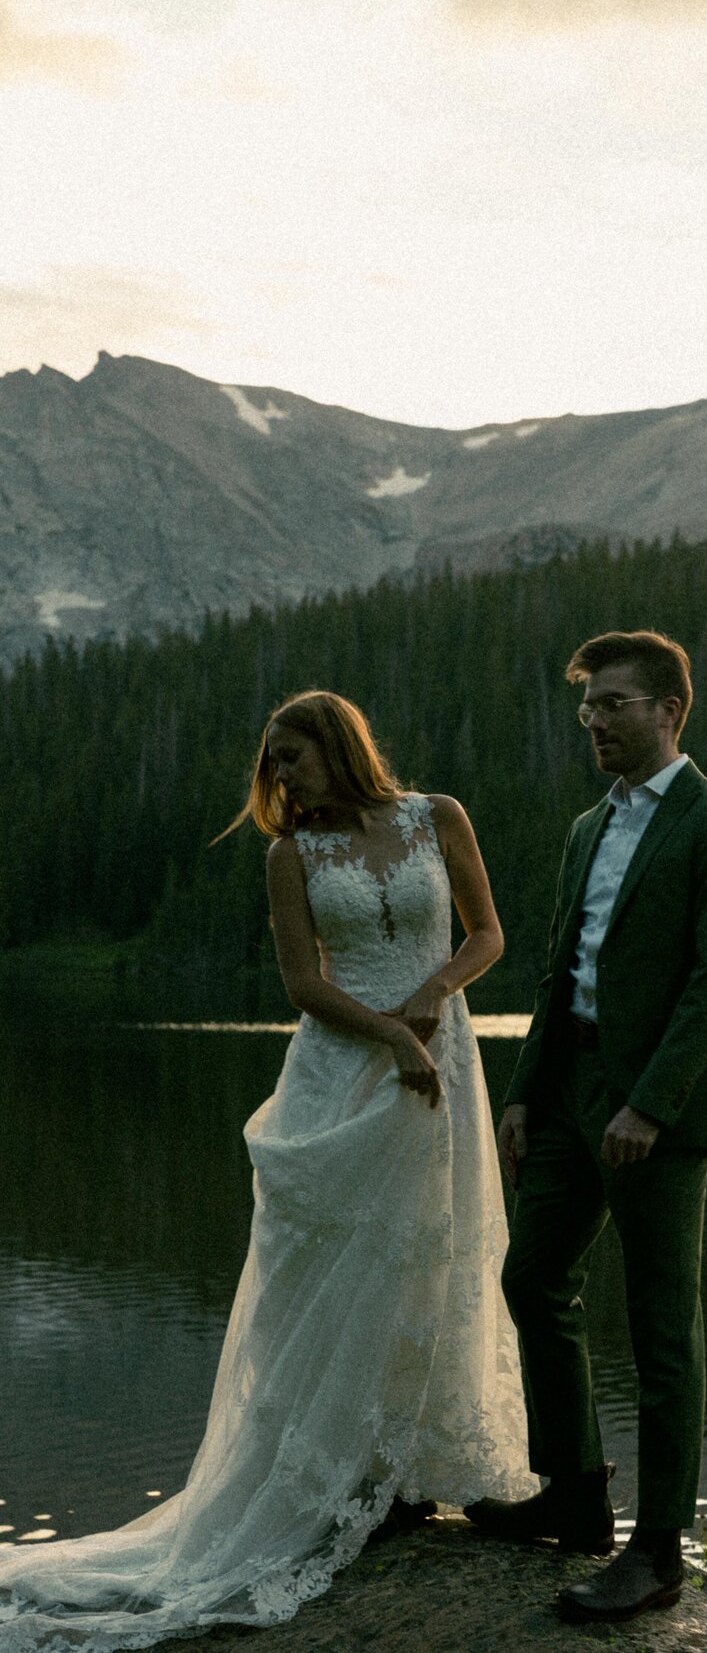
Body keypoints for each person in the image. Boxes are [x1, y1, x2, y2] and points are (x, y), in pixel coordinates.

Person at [0, 690, 534, 1652]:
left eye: (293, 757)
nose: (281, 778)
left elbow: (487, 935)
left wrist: (432, 1001)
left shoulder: (436, 818)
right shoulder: (290, 855)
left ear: (340, 747)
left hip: (439, 1058)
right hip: (338, 1073)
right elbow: (303, 984)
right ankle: (334, 1481)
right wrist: (390, 1037)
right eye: (273, 765)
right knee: (327, 1272)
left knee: (428, 1257)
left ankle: (410, 1473)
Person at [465, 631, 707, 1624]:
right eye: (588, 706)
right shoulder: (587, 830)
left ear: (670, 710)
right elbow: (560, 973)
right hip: (570, 1092)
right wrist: (523, 1090)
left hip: (661, 1109)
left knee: (661, 1328)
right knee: (532, 1275)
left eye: (614, 704)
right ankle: (575, 1496)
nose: (594, 721)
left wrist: (650, 1102)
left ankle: (657, 1553)